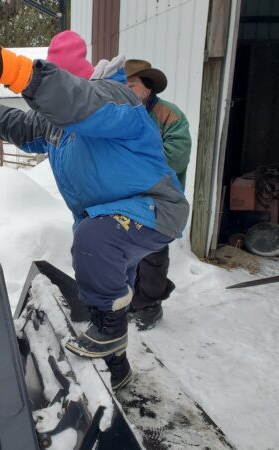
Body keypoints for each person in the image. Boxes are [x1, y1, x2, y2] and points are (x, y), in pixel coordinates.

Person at [0, 31, 189, 390]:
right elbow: (34, 127)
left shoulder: (115, 100)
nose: (50, 107)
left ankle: (111, 333)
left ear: (74, 79)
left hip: (153, 209)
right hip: (110, 218)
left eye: (56, 86)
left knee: (93, 244)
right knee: (104, 298)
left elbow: (78, 102)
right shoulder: (58, 121)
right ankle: (118, 369)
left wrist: (20, 72)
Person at [125, 59, 192, 330]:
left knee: (153, 252)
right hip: (128, 196)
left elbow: (176, 156)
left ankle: (150, 305)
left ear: (148, 87)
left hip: (160, 199)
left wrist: (133, 161)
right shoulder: (121, 114)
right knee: (127, 251)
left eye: (131, 85)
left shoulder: (169, 115)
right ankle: (130, 299)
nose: (126, 90)